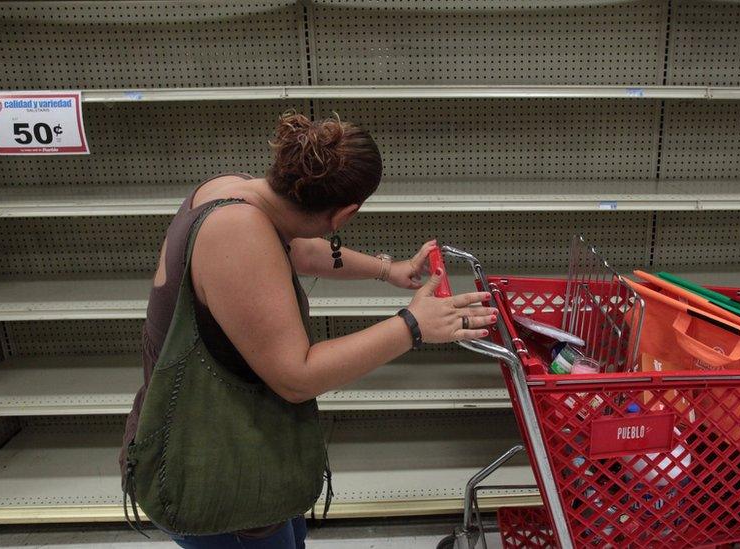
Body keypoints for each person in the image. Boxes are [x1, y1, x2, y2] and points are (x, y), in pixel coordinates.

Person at [120, 112, 497, 548]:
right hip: (217, 475)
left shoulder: (237, 193)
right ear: (345, 213)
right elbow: (296, 376)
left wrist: (389, 270)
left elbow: (300, 248)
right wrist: (412, 325)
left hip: (240, 448)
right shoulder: (237, 233)